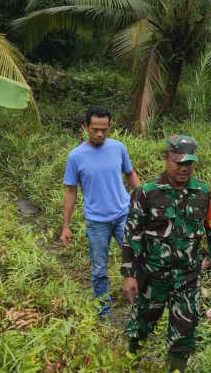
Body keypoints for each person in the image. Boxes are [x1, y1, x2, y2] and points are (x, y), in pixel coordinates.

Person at [121, 135, 211, 373]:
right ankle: (127, 364)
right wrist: (129, 275)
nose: (184, 168)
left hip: (187, 278)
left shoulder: (204, 192)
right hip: (152, 276)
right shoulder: (146, 193)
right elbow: (132, 236)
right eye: (178, 162)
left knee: (184, 335)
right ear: (166, 159)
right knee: (140, 326)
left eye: (189, 163)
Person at [62, 106, 140, 318]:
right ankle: (104, 314)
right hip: (96, 222)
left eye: (104, 130)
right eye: (95, 129)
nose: (99, 134)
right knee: (99, 269)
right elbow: (70, 190)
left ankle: (140, 308)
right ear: (85, 127)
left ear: (109, 127)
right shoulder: (75, 156)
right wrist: (66, 225)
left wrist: (143, 200)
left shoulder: (118, 148)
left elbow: (130, 173)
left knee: (136, 260)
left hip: (123, 215)